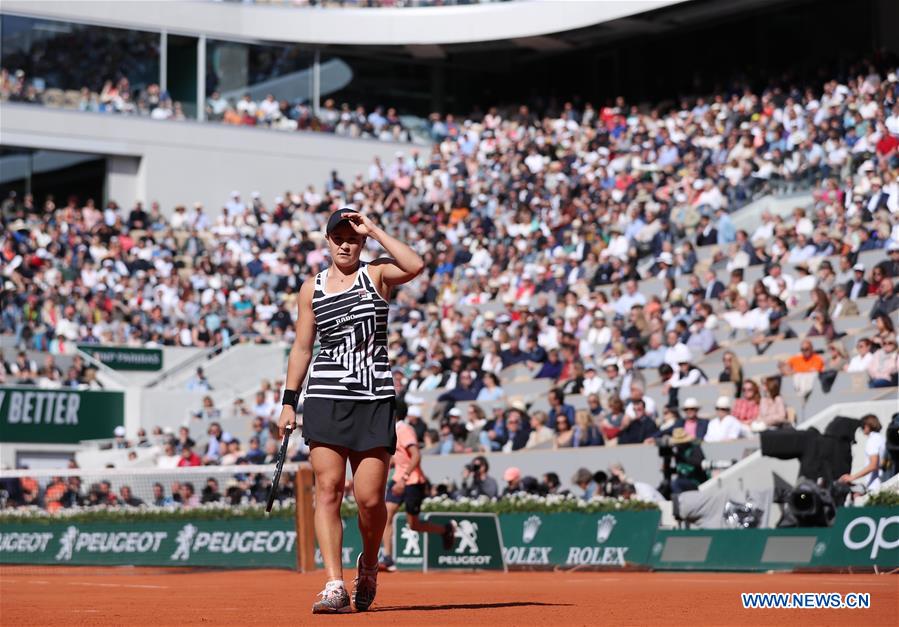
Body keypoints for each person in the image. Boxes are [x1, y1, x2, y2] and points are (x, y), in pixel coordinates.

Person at [277, 208, 424, 614]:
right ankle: (333, 583)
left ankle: (370, 564)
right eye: (338, 237)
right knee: (327, 490)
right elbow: (302, 348)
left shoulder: (377, 274)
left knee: (370, 500)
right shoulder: (313, 288)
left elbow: (415, 265)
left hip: (374, 398)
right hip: (325, 397)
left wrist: (374, 229)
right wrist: (289, 402)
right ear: (326, 241)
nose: (345, 243)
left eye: (352, 237)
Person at [379, 412, 454, 573]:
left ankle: (445, 530)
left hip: (412, 481)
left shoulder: (404, 430)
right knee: (387, 515)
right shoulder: (393, 430)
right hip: (398, 479)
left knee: (414, 525)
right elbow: (400, 458)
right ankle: (388, 558)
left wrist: (404, 478)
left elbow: (416, 456)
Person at [839, 415, 886, 491]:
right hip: (881, 483)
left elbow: (873, 465)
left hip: (875, 487)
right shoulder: (881, 438)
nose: (861, 429)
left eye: (862, 426)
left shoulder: (872, 440)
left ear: (867, 426)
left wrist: (852, 477)